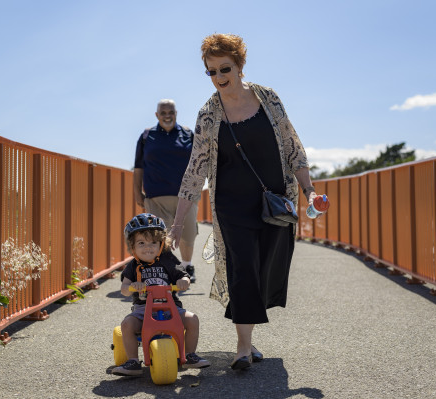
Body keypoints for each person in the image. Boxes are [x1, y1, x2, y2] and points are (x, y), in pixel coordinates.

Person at [169, 33, 324, 371]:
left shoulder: (267, 98)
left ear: (240, 65)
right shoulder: (208, 114)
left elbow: (292, 147)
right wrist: (178, 224)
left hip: (275, 202)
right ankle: (242, 348)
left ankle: (248, 338)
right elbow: (195, 170)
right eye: (211, 72)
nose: (219, 77)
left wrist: (309, 190)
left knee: (265, 267)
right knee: (243, 269)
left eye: (224, 68)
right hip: (231, 206)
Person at [112, 213, 210, 376]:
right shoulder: (133, 266)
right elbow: (124, 288)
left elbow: (182, 273)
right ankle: (133, 361)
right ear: (133, 246)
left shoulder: (168, 259)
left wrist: (184, 280)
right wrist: (132, 286)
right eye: (141, 243)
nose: (147, 247)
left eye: (153, 243)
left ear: (161, 244)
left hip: (171, 308)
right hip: (143, 311)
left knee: (192, 319)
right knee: (127, 325)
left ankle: (190, 355)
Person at [133, 99, 199, 282]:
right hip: (155, 198)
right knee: (158, 236)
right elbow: (138, 167)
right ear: (157, 115)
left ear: (176, 113)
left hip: (186, 196)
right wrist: (137, 192)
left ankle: (187, 266)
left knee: (188, 235)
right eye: (163, 113)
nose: (167, 116)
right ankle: (163, 270)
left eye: (171, 112)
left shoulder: (188, 134)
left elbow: (198, 164)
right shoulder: (147, 136)